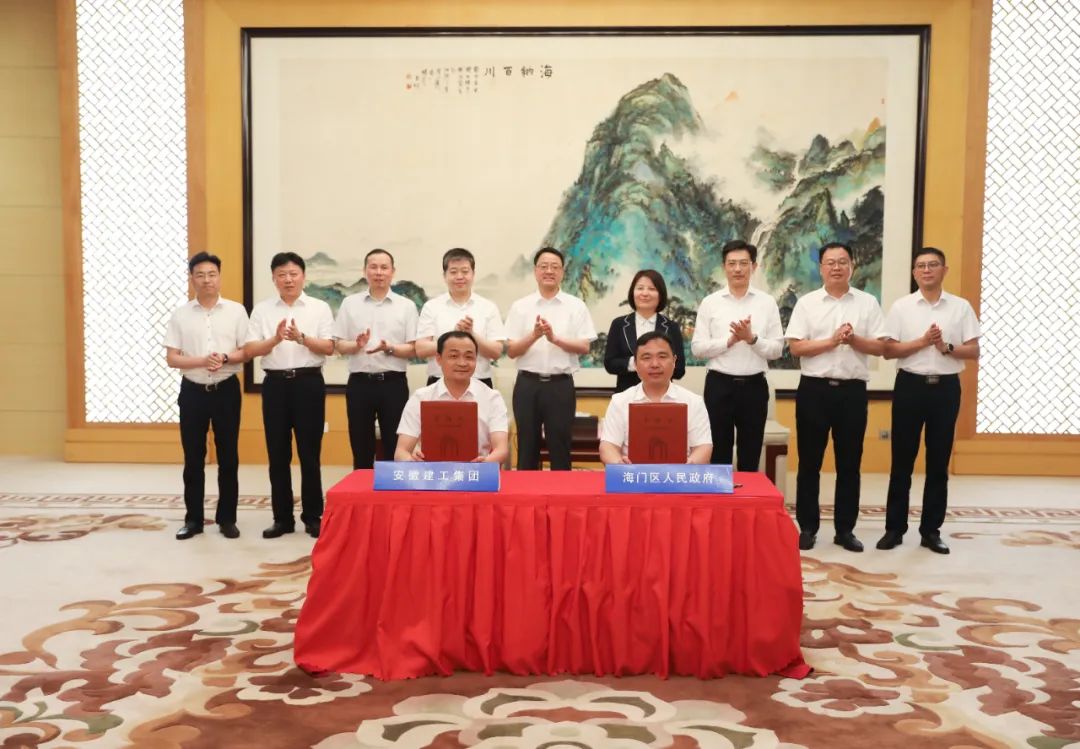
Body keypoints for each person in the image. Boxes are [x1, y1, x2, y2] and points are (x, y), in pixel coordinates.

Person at [876, 248, 981, 555]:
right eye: (921, 266)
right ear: (914, 273)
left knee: (938, 462)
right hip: (910, 385)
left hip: (945, 388)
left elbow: (974, 350)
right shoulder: (902, 307)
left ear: (944, 270)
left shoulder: (960, 307)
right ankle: (894, 529)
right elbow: (888, 351)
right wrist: (923, 342)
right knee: (902, 461)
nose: (926, 270)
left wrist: (945, 347)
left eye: (933, 265)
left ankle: (931, 531)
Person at [786, 242, 885, 553]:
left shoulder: (868, 303)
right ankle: (808, 528)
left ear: (852, 265)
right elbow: (796, 347)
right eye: (830, 262)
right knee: (809, 463)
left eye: (843, 261)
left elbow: (880, 347)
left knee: (849, 464)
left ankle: (845, 530)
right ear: (821, 268)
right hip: (814, 390)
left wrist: (853, 340)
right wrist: (831, 341)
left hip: (852, 392)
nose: (837, 267)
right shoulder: (807, 303)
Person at [244, 251, 334, 539]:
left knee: (310, 454)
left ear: (303, 276)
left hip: (309, 383)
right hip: (275, 386)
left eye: (293, 274)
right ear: (273, 279)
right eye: (281, 275)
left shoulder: (319, 308)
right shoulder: (262, 310)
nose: (288, 279)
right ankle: (282, 519)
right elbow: (250, 350)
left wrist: (301, 338)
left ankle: (313, 516)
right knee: (278, 454)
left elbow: (329, 347)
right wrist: (275, 338)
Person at [163, 252, 249, 540]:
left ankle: (227, 519)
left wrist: (224, 358)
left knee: (229, 457)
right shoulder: (181, 314)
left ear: (219, 277)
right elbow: (172, 358)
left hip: (226, 389)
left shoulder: (236, 311)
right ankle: (193, 520)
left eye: (212, 274)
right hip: (193, 391)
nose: (207, 280)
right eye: (200, 275)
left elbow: (246, 352)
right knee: (193, 458)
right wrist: (203, 360)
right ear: (192, 279)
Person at [691, 240, 783, 470]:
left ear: (754, 266)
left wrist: (751, 339)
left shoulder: (767, 303)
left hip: (754, 387)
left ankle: (747, 495)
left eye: (743, 263)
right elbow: (698, 348)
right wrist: (729, 341)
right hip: (719, 385)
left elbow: (776, 350)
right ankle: (720, 495)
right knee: (718, 454)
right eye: (732, 263)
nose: (738, 269)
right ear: (724, 267)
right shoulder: (710, 303)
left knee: (750, 454)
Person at [505, 247, 597, 470]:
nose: (549, 271)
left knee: (560, 445)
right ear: (535, 271)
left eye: (555, 267)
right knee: (526, 445)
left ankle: (561, 492)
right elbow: (511, 351)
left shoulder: (576, 306)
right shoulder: (520, 306)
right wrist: (535, 335)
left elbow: (584, 346)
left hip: (560, 385)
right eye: (544, 266)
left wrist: (555, 339)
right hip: (527, 385)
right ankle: (525, 492)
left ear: (562, 272)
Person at [333, 248, 419, 469]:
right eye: (373, 267)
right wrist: (357, 345)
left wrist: (389, 348)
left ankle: (394, 491)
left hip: (393, 384)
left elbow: (413, 349)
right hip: (360, 384)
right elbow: (339, 345)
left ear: (392, 271)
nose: (379, 272)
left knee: (395, 447)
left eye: (384, 267)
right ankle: (362, 488)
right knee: (360, 446)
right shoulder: (350, 304)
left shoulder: (406, 306)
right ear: (365, 271)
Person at [395, 330, 510, 464]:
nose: (462, 363)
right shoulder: (421, 397)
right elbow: (401, 452)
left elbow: (501, 450)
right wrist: (413, 462)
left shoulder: (491, 398)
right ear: (439, 359)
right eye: (454, 356)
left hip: (477, 472)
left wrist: (484, 464)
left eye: (469, 357)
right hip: (431, 473)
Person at [599, 331, 712, 465]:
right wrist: (619, 464)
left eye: (662, 356)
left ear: (674, 361)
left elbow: (703, 447)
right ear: (635, 364)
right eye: (646, 358)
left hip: (679, 475)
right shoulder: (619, 401)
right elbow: (608, 446)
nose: (655, 364)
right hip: (633, 474)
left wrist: (689, 465)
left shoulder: (694, 402)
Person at [415, 248, 505, 388]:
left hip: (479, 383)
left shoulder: (488, 307)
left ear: (473, 274)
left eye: (465, 271)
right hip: (439, 383)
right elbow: (421, 350)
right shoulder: (431, 307)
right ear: (444, 275)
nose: (459, 276)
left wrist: (472, 335)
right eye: (453, 272)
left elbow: (496, 352)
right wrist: (453, 336)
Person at [603, 269, 686, 393]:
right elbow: (610, 364)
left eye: (652, 289)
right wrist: (637, 363)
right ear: (633, 292)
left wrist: (657, 365)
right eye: (640, 288)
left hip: (662, 395)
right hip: (627, 394)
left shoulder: (671, 327)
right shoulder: (619, 324)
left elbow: (679, 370)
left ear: (660, 294)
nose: (645, 293)